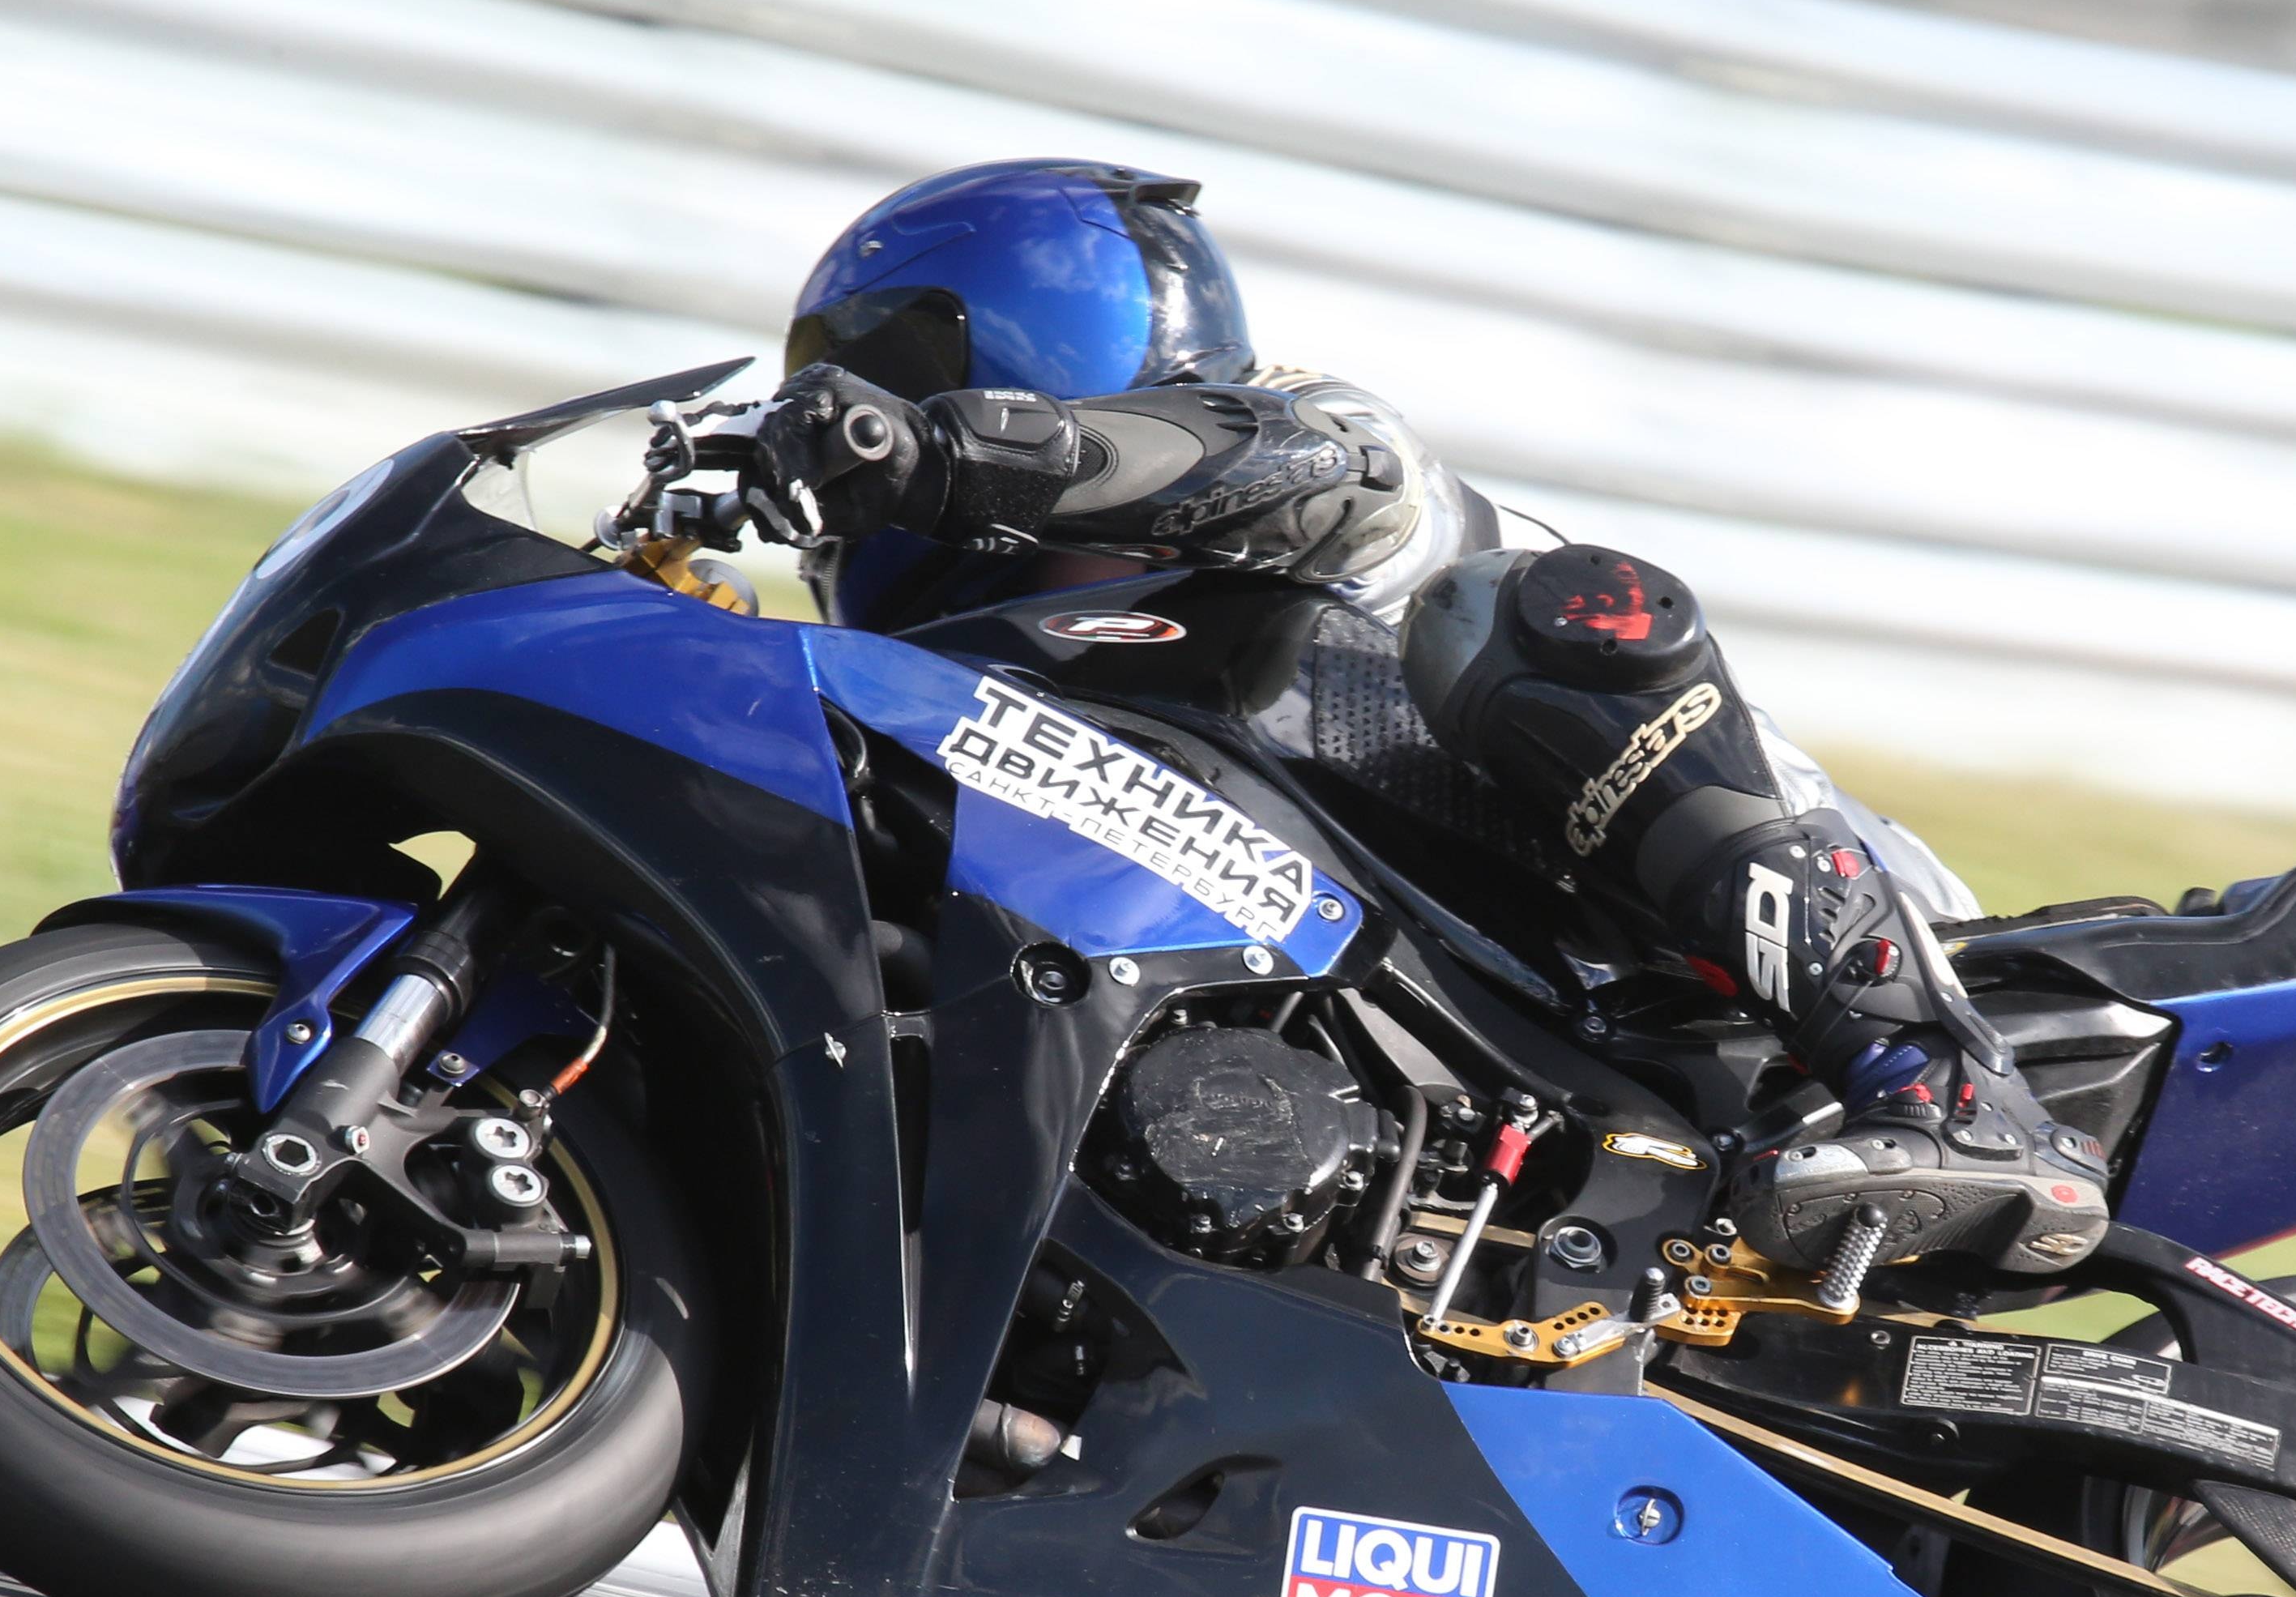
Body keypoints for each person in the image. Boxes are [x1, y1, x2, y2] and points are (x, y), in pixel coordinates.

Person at [674, 158, 2111, 1286]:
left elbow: (1278, 463)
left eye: (884, 372)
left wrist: (943, 452)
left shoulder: (1299, 441)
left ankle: (1940, 1080)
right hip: (1515, 1054)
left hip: (1804, 948)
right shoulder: (1009, 678)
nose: (850, 413)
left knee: (1526, 610)